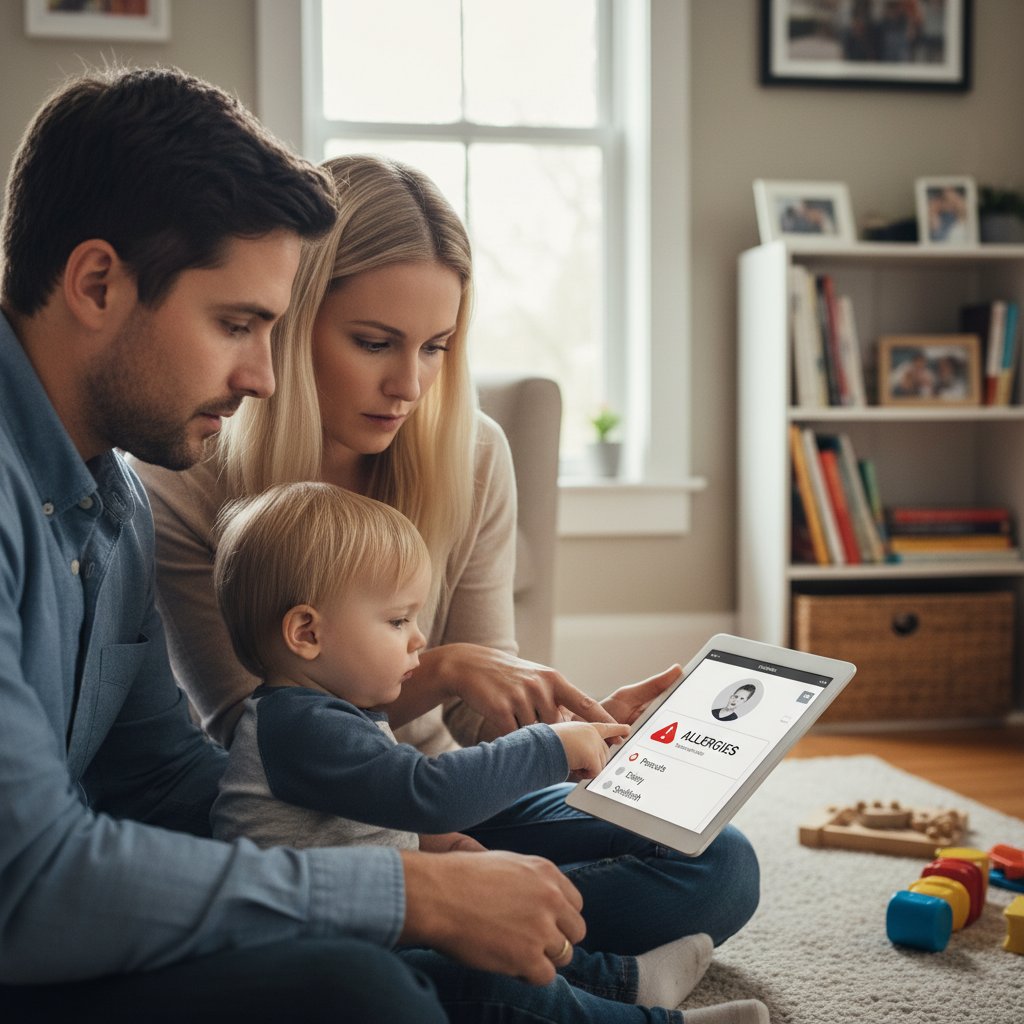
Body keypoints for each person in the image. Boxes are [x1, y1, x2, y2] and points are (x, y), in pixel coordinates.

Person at [0, 64, 685, 1024]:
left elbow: (167, 774)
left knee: (398, 970)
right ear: (98, 282)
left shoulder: (107, 495)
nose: (263, 377)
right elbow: (32, 883)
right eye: (236, 324)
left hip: (158, 877)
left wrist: (384, 859)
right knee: (374, 993)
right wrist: (403, 895)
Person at [132, 152, 760, 960]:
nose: (408, 384)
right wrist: (448, 669)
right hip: (303, 832)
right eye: (373, 342)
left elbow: (469, 722)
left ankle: (455, 936)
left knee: (719, 862)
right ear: (288, 320)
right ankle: (468, 944)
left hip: (436, 789)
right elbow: (249, 731)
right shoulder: (187, 473)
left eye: (435, 347)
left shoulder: (472, 456)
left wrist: (577, 724)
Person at [208, 481, 771, 1023]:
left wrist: (436, 845)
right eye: (398, 620)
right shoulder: (298, 724)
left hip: (378, 915)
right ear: (306, 633)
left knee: (700, 851)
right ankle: (640, 1008)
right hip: (328, 949)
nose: (419, 639)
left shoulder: (326, 711)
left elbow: (357, 816)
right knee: (477, 981)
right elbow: (424, 792)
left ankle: (619, 979)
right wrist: (546, 747)